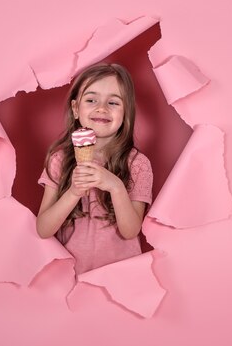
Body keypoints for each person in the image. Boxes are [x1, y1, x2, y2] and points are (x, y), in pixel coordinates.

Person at [36, 63, 153, 274]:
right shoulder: (60, 160)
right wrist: (73, 192)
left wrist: (116, 186)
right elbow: (43, 229)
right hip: (71, 274)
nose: (102, 108)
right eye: (91, 100)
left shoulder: (137, 163)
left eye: (113, 102)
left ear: (127, 112)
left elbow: (131, 231)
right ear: (75, 109)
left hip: (121, 274)